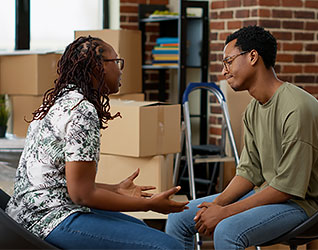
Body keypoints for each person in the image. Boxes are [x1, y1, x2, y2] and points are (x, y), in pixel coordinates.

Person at [6, 36, 188, 249]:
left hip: (26, 213)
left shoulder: (62, 101)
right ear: (96, 67)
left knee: (139, 226)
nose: (120, 70)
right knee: (167, 246)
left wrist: (115, 189)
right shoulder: (82, 110)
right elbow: (82, 194)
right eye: (116, 62)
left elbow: (64, 182)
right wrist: (148, 204)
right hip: (47, 219)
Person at [166, 25, 318, 249]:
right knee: (179, 218)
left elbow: (287, 188)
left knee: (227, 231)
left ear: (253, 57)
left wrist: (225, 212)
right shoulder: (253, 110)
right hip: (274, 193)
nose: (224, 71)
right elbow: (249, 172)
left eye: (228, 61)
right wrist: (215, 205)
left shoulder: (297, 108)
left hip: (306, 204)